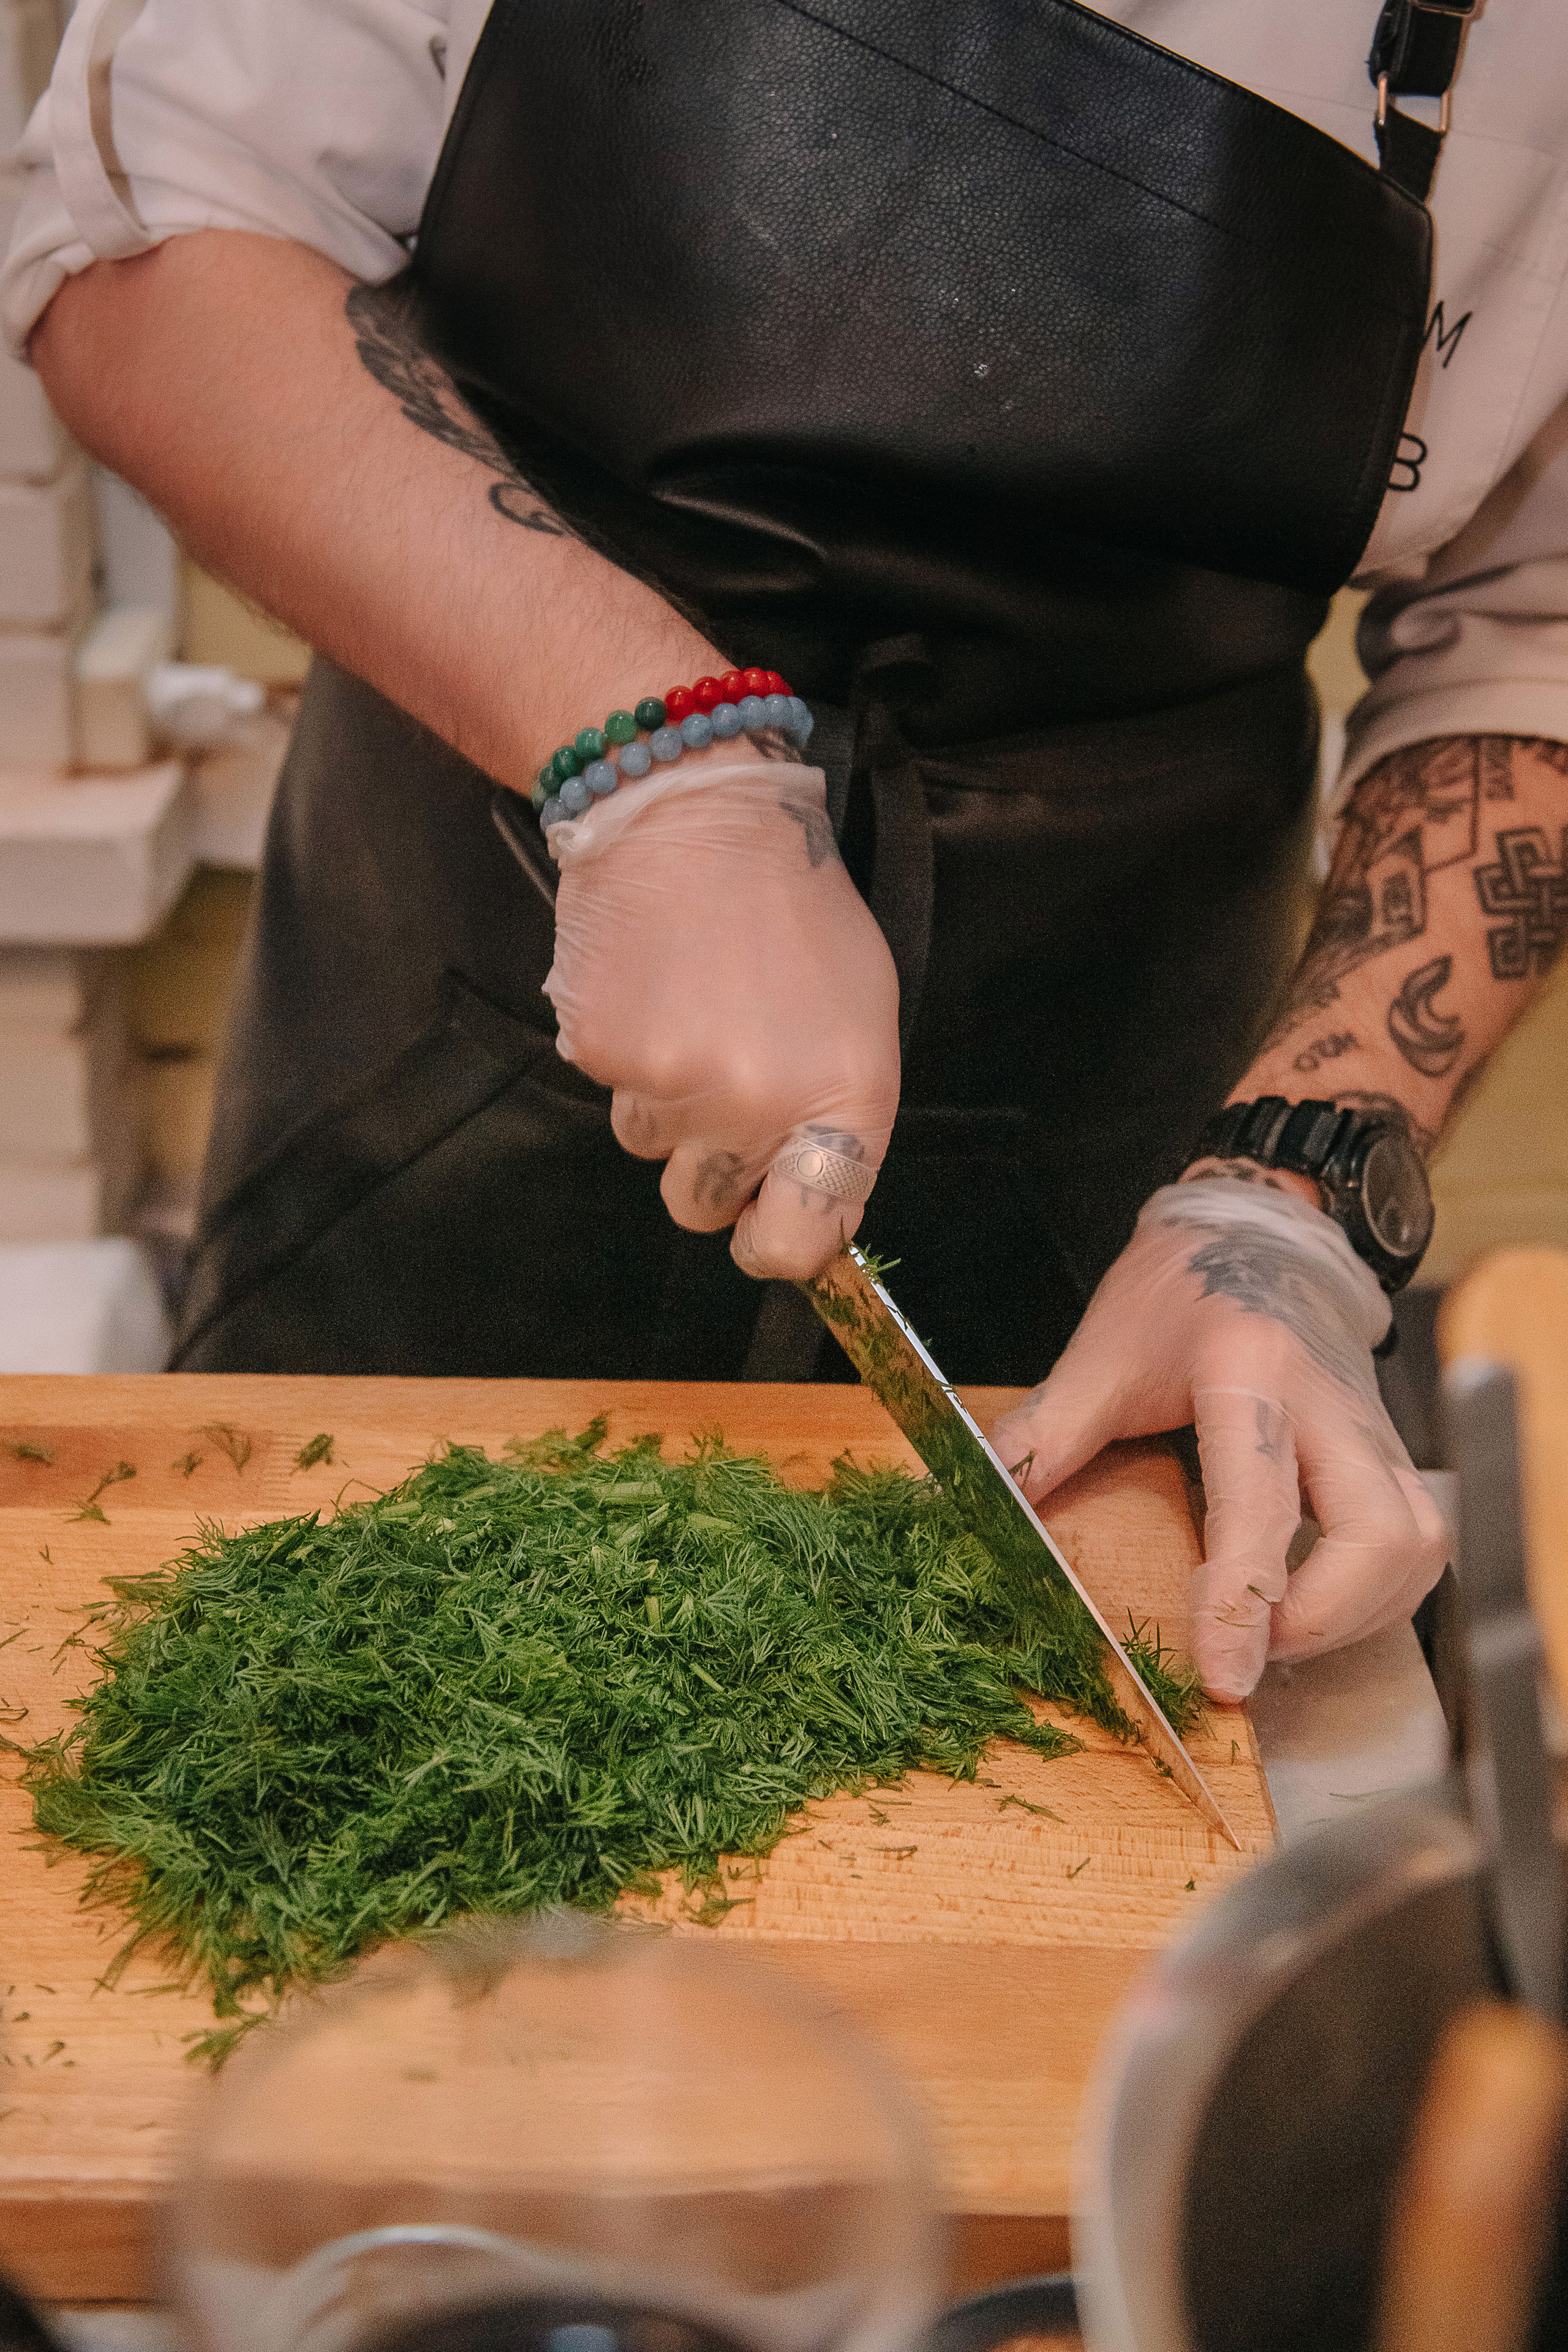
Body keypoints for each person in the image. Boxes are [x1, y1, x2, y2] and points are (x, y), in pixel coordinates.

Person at [7, 0, 1566, 1703]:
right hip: (474, 971)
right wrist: (654, 757)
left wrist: (1294, 1191)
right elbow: (146, 245)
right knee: (316, 1699)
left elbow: (1534, 627)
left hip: (1123, 1075)